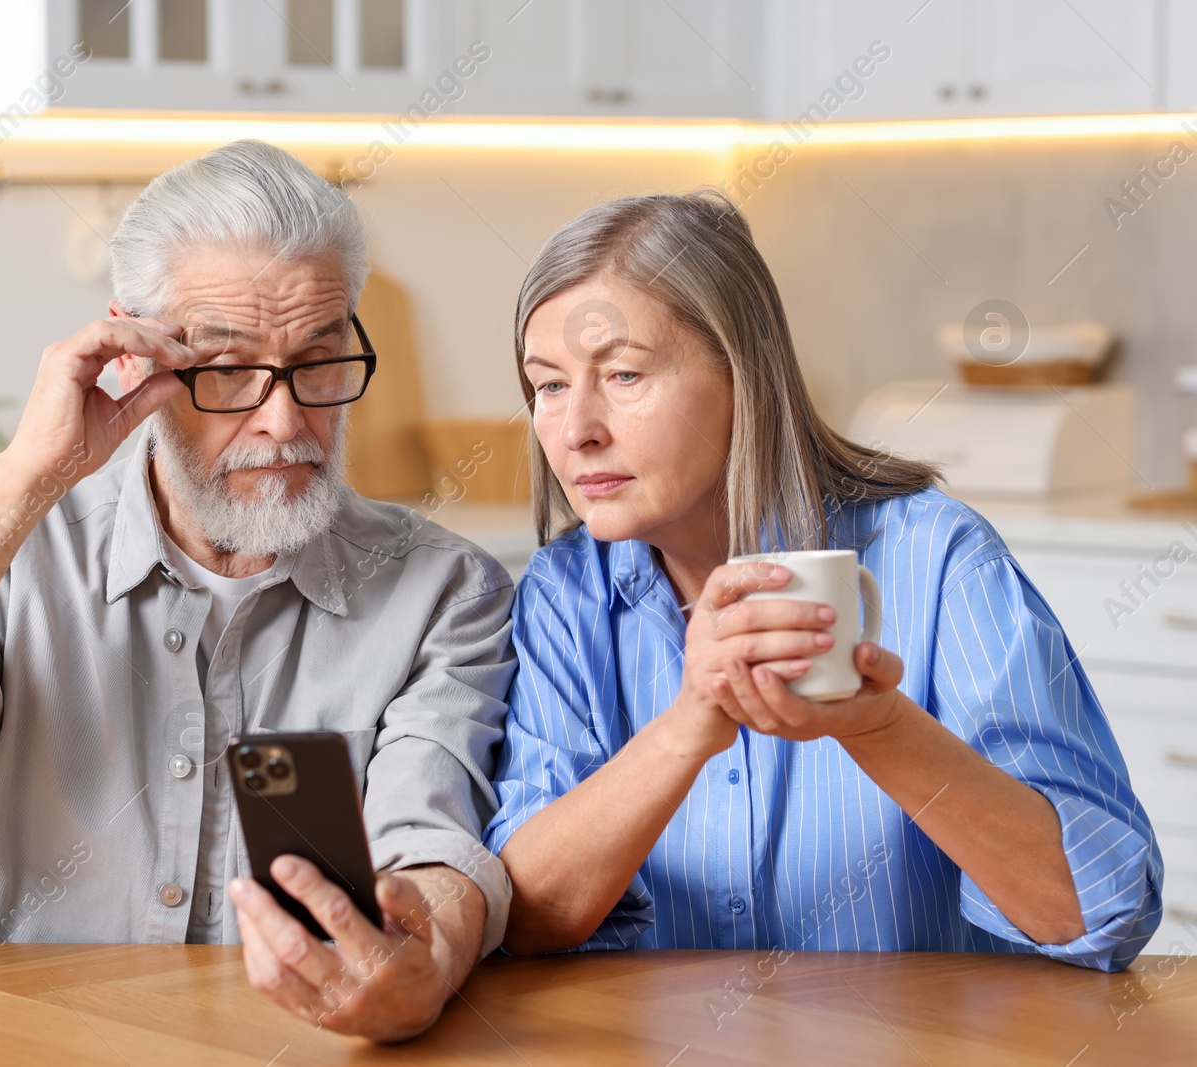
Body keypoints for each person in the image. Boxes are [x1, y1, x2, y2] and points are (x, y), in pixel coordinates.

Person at [0, 140, 515, 1042]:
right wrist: (25, 477)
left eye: (318, 358)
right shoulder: (19, 544)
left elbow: (428, 847)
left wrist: (422, 948)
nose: (285, 418)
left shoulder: (444, 590)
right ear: (134, 353)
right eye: (225, 368)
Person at [485, 192, 1162, 973]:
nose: (576, 430)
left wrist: (879, 729)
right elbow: (528, 917)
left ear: (748, 370)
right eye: (550, 385)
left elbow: (1102, 909)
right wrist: (685, 729)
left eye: (625, 374)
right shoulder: (563, 599)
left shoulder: (938, 560)